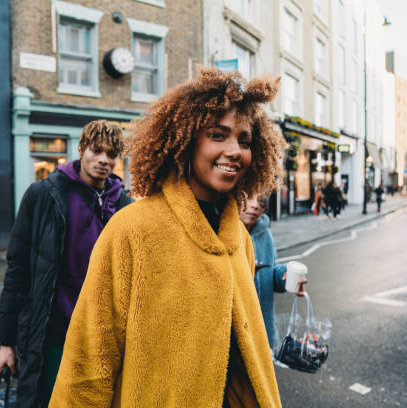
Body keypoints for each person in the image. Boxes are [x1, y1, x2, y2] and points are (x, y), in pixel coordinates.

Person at [50, 68, 286, 407]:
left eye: (245, 140)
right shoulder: (131, 229)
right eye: (218, 135)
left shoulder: (240, 240)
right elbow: (90, 360)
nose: (235, 150)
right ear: (186, 141)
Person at [0, 120, 133, 407]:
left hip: (103, 338)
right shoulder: (44, 195)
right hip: (54, 334)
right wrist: (6, 343)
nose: (104, 160)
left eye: (112, 154)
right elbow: (18, 269)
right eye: (97, 150)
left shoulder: (124, 207)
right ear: (82, 149)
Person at [239, 193, 307, 349]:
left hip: (263, 331)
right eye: (248, 198)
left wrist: (285, 275)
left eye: (261, 201)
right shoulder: (223, 232)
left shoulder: (265, 233)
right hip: (234, 334)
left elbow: (271, 272)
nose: (255, 205)